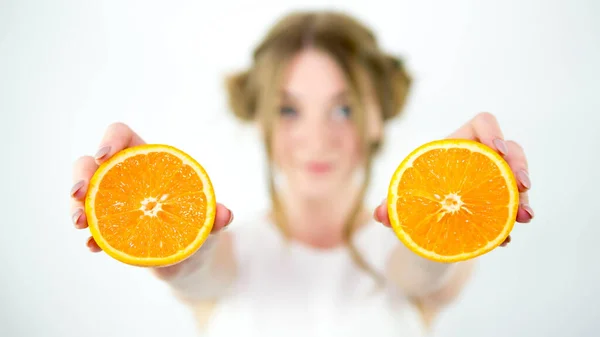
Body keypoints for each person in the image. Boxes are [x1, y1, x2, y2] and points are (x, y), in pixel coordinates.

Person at [69, 10, 534, 337]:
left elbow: (418, 272)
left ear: (378, 115)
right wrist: (170, 239)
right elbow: (201, 270)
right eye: (289, 110)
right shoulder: (231, 249)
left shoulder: (414, 255)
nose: (316, 139)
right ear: (261, 120)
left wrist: (454, 198)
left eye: (344, 108)